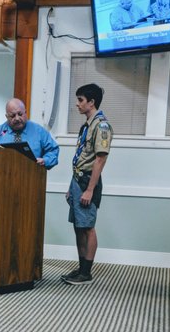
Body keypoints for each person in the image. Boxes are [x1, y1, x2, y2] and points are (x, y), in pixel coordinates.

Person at [62, 83, 113, 285]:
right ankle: (81, 267)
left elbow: (100, 160)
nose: (77, 104)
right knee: (78, 226)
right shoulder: (87, 125)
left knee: (88, 227)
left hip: (87, 181)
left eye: (80, 100)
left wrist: (89, 190)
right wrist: (71, 187)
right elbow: (81, 157)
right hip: (77, 179)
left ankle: (87, 272)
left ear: (91, 102)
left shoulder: (101, 126)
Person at [0, 98, 59, 169]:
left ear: (25, 112)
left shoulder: (38, 131)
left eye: (20, 114)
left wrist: (45, 160)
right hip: (3, 176)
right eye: (12, 116)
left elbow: (53, 150)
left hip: (32, 176)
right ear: (6, 116)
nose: (17, 118)